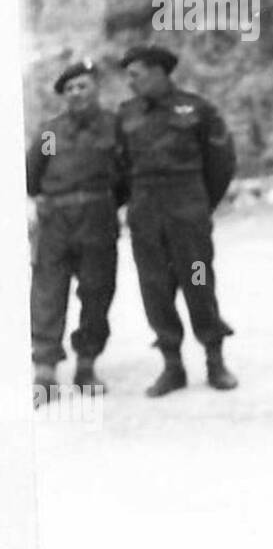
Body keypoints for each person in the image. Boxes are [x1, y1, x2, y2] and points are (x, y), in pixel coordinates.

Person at [117, 45, 237, 396]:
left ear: (159, 72)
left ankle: (215, 360)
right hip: (145, 214)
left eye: (135, 74)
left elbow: (221, 162)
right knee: (154, 287)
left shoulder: (197, 109)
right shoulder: (125, 115)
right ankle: (172, 366)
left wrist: (199, 204)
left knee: (199, 281)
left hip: (187, 211)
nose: (130, 82)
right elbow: (119, 167)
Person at [27, 59, 126, 404]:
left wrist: (105, 203)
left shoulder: (115, 127)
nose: (76, 93)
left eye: (82, 86)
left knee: (97, 290)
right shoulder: (52, 133)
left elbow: (126, 175)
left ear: (96, 88)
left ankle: (86, 365)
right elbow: (32, 174)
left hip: (98, 218)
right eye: (69, 89)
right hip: (56, 220)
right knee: (48, 291)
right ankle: (45, 372)